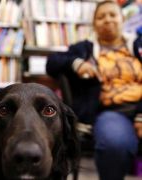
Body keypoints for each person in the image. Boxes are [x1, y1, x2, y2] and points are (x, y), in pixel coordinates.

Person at [46, 1, 142, 180]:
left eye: (113, 15)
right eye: (101, 17)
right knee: (114, 143)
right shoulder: (84, 48)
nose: (107, 20)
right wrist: (77, 63)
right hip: (112, 113)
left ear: (122, 19)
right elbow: (52, 62)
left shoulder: (138, 44)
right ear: (94, 24)